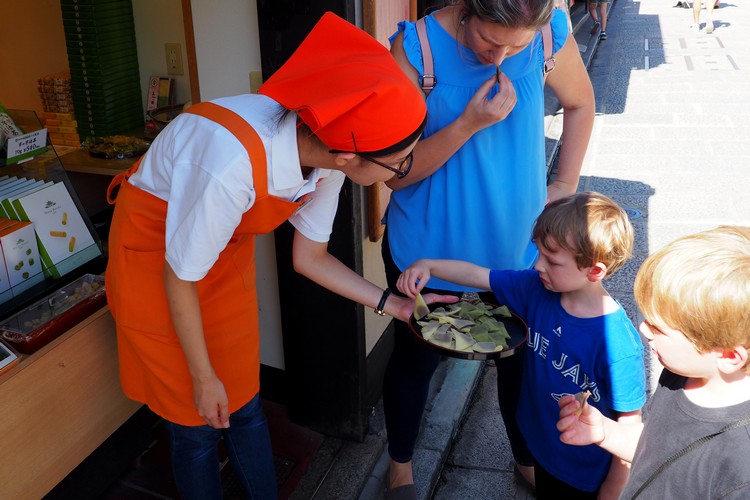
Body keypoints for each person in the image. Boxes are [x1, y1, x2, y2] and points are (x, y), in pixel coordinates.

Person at [104, 12, 456, 500]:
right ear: (348, 157)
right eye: (397, 164)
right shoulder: (231, 164)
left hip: (219, 259)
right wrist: (204, 378)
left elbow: (309, 258)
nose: (401, 172)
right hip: (156, 266)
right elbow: (178, 276)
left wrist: (393, 305)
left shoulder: (331, 153)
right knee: (196, 423)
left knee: (245, 401)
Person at [381, 0, 595, 496]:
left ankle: (525, 460)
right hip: (427, 252)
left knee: (520, 365)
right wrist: (466, 124)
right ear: (466, 9)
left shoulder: (547, 35)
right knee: (414, 364)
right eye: (488, 41)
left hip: (516, 255)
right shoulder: (418, 50)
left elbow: (580, 103)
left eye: (514, 47)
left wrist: (565, 183)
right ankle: (400, 467)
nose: (500, 58)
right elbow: (395, 173)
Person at [397, 192, 647, 498]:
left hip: (582, 471)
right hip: (539, 442)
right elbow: (479, 276)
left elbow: (630, 428)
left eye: (552, 260)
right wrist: (429, 266)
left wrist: (611, 491)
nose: (538, 265)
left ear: (595, 270)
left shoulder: (619, 346)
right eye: (538, 252)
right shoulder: (535, 288)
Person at [557, 225, 750, 499]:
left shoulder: (741, 468)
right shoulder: (681, 373)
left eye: (659, 328)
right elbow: (660, 451)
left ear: (729, 356)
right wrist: (605, 432)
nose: (644, 330)